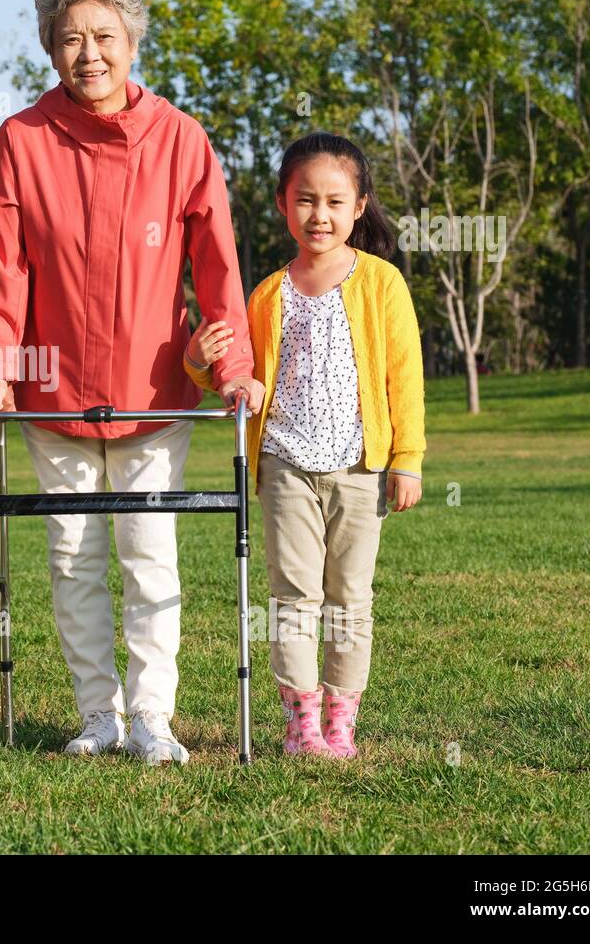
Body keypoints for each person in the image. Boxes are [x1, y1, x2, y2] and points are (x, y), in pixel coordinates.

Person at [0, 0, 262, 765]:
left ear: (132, 41)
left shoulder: (182, 139)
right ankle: (98, 715)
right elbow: (2, 269)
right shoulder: (21, 142)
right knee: (71, 557)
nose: (88, 53)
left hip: (152, 390)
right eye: (70, 40)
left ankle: (153, 719)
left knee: (148, 553)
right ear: (50, 52)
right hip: (52, 394)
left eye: (103, 36)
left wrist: (231, 361)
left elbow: (218, 267)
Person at [185, 131, 425, 758]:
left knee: (350, 596)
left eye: (335, 202)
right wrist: (200, 365)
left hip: (359, 468)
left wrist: (408, 461)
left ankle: (342, 717)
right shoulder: (266, 294)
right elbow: (240, 377)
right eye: (305, 201)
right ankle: (301, 723)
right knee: (294, 596)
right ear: (281, 204)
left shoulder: (382, 285)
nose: (320, 215)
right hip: (285, 465)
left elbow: (407, 378)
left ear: (360, 205)